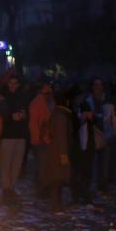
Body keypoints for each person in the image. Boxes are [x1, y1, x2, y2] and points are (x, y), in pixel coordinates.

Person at [29, 82, 71, 211]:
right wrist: (64, 155)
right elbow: (61, 136)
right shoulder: (59, 115)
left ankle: (54, 202)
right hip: (55, 150)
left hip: (51, 148)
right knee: (56, 178)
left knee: (53, 177)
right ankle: (55, 204)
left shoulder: (55, 112)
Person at [0, 75, 29, 200]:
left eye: (15, 83)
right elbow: (2, 114)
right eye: (11, 83)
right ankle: (6, 187)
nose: (13, 85)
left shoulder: (23, 97)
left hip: (20, 134)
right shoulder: (3, 97)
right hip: (7, 134)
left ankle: (11, 186)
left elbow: (27, 112)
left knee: (17, 162)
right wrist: (11, 117)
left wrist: (24, 115)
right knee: (5, 162)